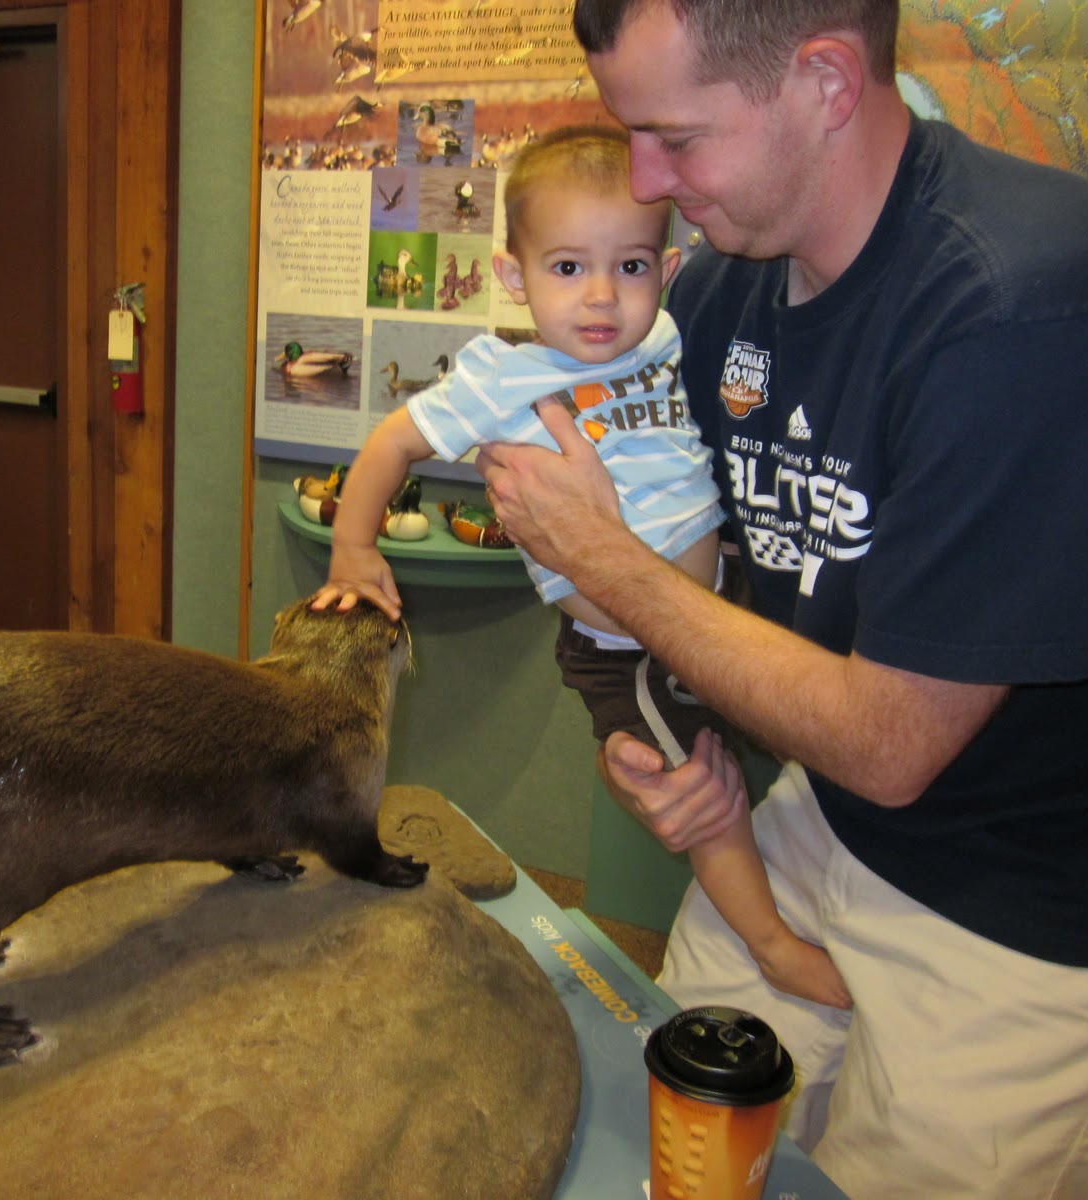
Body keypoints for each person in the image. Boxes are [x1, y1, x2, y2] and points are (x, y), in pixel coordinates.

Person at [472, 1, 1088, 1196]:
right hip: (822, 811)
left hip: (1048, 887)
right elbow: (698, 597)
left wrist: (605, 561)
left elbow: (891, 744)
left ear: (825, 81)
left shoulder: (1028, 304)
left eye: (676, 137)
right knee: (686, 1141)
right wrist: (664, 755)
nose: (645, 181)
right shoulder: (722, 293)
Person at [313, 126, 850, 1009]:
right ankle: (772, 945)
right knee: (697, 790)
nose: (602, 295)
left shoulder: (663, 337)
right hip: (628, 650)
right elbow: (392, 442)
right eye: (567, 268)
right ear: (513, 276)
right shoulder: (504, 378)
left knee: (810, 716)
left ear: (665, 270)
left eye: (630, 266)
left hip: (724, 600)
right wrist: (354, 546)